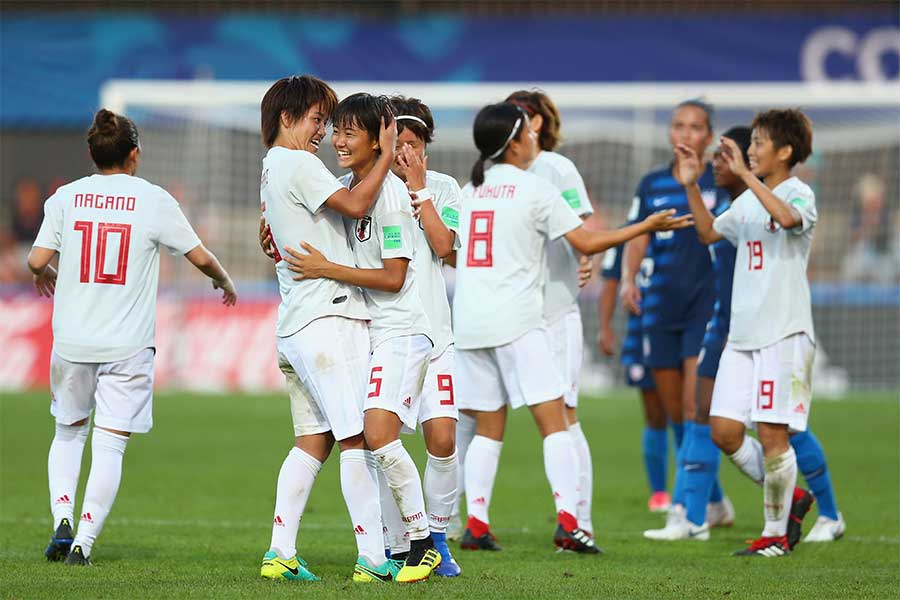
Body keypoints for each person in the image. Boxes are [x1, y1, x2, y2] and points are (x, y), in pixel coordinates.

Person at [453, 102, 691, 554]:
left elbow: (451, 249)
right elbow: (587, 241)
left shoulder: (470, 191)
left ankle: (477, 524)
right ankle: (570, 523)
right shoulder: (532, 189)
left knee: (488, 425)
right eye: (527, 134)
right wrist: (646, 225)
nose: (535, 140)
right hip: (518, 321)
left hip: (469, 322)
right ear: (514, 142)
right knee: (556, 422)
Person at [30, 108, 238, 566]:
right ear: (135, 155)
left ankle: (61, 517)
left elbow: (36, 258)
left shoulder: (66, 197)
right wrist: (223, 280)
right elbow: (199, 256)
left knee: (67, 433)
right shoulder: (152, 199)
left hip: (72, 342)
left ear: (91, 152)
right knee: (110, 443)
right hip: (126, 344)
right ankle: (83, 543)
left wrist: (44, 270)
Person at [279, 92, 441, 582]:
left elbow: (394, 277)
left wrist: (327, 268)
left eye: (351, 132)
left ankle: (424, 541)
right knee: (372, 441)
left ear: (378, 139)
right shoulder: (353, 186)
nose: (338, 140)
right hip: (375, 329)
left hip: (403, 329)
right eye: (337, 130)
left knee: (376, 436)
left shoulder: (389, 195)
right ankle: (402, 546)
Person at [256, 75, 402, 583]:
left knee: (311, 441)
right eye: (318, 120)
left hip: (296, 323)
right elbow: (358, 205)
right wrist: (384, 152)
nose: (324, 132)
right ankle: (374, 558)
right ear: (287, 118)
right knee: (356, 437)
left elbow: (276, 238)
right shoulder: (298, 163)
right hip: (328, 317)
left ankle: (280, 552)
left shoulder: (272, 167)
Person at [670, 126, 845, 544]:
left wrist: (748, 178)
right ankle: (793, 499)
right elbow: (709, 232)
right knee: (724, 431)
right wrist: (692, 185)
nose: (750, 152)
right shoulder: (748, 201)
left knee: (773, 433)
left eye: (758, 144)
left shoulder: (800, 193)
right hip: (742, 336)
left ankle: (775, 534)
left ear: (785, 151)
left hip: (783, 333)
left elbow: (786, 219)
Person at [620, 100, 729, 534]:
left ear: (709, 135)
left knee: (692, 405)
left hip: (705, 306)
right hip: (659, 306)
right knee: (677, 415)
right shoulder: (651, 183)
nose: (686, 133)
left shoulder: (720, 179)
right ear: (670, 132)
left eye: (696, 126)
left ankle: (686, 510)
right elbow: (639, 234)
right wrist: (630, 278)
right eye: (679, 125)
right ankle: (715, 501)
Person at [376, 95, 463, 577]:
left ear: (426, 146)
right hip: (386, 333)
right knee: (381, 443)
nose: (406, 152)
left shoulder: (445, 189)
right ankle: (397, 544)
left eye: (414, 144)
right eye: (398, 143)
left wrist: (420, 189)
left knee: (443, 439)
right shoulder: (367, 190)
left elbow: (445, 246)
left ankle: (438, 537)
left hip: (437, 336)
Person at [506, 90, 596, 534]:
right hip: (510, 312)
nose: (518, 122)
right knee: (477, 415)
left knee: (564, 414)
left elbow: (583, 229)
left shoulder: (558, 169)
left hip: (555, 307)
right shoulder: (496, 173)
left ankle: (580, 520)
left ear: (539, 123)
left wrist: (588, 256)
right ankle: (461, 521)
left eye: (524, 114)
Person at [598, 243, 670, 512]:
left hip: (680, 330)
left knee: (688, 414)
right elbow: (610, 282)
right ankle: (660, 493)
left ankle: (706, 496)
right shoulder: (627, 237)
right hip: (642, 333)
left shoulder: (684, 229)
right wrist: (604, 327)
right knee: (654, 414)